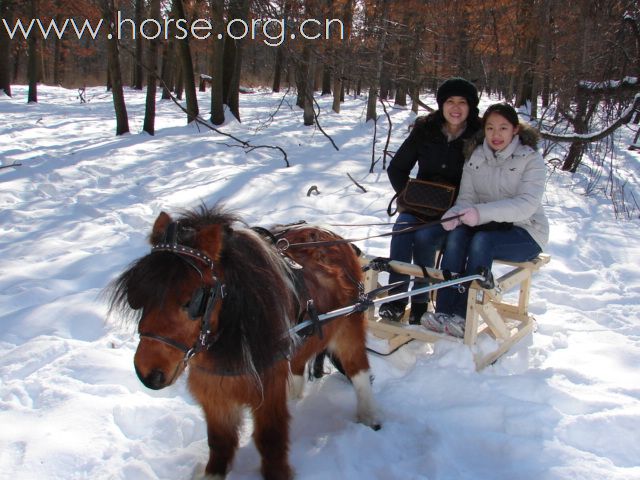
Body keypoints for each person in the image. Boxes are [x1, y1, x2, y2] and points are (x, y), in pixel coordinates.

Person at [422, 103, 549, 337]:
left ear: (515, 130)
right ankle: (443, 311)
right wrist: (455, 214)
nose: (496, 134)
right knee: (458, 235)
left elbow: (526, 206)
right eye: (490, 128)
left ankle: (463, 315)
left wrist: (480, 213)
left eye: (503, 128)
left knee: (482, 242)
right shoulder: (476, 157)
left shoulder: (530, 160)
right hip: (487, 227)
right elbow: (467, 197)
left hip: (526, 232)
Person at [380, 78, 481, 324]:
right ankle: (395, 300)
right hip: (418, 206)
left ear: (471, 107)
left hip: (454, 210)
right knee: (403, 229)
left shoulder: (479, 136)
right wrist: (408, 197)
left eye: (462, 102)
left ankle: (420, 302)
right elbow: (397, 168)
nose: (455, 108)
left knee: (425, 238)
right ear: (441, 104)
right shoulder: (425, 129)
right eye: (449, 101)